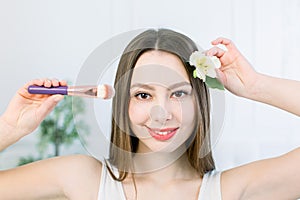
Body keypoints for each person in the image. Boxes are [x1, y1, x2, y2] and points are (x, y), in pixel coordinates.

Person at [0, 28, 299, 200]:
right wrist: (10, 128)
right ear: (124, 105)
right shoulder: (81, 178)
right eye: (144, 95)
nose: (161, 113)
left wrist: (256, 86)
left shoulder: (233, 190)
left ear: (200, 103)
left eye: (178, 93)